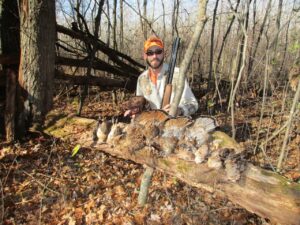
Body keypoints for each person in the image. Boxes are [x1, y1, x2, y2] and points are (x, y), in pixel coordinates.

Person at [124, 36, 198, 117]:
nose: (155, 56)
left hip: (175, 124)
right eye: (150, 53)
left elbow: (193, 105)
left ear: (164, 54)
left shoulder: (177, 74)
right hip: (151, 124)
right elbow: (139, 105)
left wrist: (179, 110)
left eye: (158, 52)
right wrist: (134, 111)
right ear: (145, 56)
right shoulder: (142, 78)